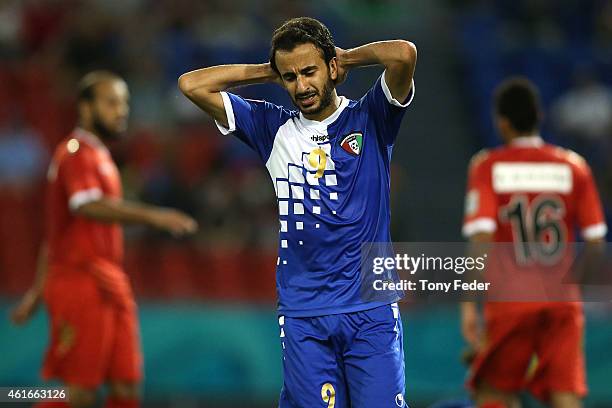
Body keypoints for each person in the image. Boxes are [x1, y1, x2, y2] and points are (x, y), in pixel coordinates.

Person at [179, 16, 416, 408]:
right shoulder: (271, 127)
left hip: (370, 308)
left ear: (331, 69)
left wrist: (346, 58)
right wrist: (266, 72)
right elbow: (191, 84)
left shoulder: (372, 117)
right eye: (290, 77)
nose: (301, 86)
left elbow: (404, 54)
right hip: (305, 312)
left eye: (309, 71)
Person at [11, 71, 198, 408]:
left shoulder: (100, 157)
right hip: (80, 281)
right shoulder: (74, 152)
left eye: (124, 103)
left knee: (125, 388)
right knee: (77, 392)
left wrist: (35, 292)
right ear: (85, 108)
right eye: (111, 102)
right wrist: (153, 215)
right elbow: (87, 206)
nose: (121, 111)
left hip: (110, 281)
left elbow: (54, 232)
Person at [461, 77, 608, 408]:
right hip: (562, 300)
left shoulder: (488, 167)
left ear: (502, 122)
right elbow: (597, 241)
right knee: (565, 395)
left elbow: (482, 239)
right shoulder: (574, 166)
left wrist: (470, 304)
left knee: (493, 392)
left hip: (511, 300)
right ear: (539, 115)